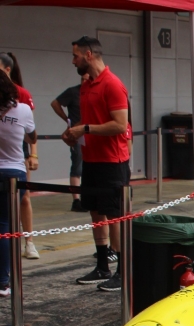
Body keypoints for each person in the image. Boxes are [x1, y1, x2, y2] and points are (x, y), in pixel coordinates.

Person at [62, 36, 130, 292]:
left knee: (116, 216)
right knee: (95, 212)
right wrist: (74, 134)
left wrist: (86, 129)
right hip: (91, 160)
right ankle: (103, 266)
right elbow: (86, 124)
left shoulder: (112, 84)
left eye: (76, 56)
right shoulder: (86, 85)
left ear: (89, 54)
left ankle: (123, 271)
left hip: (112, 162)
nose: (73, 61)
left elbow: (120, 124)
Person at [0, 71, 36, 297]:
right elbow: (31, 137)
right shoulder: (22, 110)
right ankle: (4, 281)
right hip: (14, 171)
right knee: (6, 225)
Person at [51, 75, 91, 214]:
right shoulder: (74, 92)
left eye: (87, 79)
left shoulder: (93, 92)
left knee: (90, 166)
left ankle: (87, 197)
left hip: (91, 132)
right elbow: (55, 103)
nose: (84, 82)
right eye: (82, 79)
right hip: (77, 134)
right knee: (77, 165)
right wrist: (67, 120)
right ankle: (76, 200)